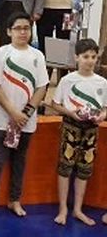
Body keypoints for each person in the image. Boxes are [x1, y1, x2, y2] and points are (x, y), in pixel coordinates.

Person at [0, 12, 49, 218]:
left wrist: (26, 113)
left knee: (19, 162)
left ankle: (15, 200)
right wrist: (12, 112)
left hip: (26, 120)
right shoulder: (1, 53)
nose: (23, 32)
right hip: (2, 119)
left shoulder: (38, 56)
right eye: (18, 28)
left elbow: (42, 87)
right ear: (9, 31)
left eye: (26, 28)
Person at [46, 39, 107, 226]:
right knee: (65, 167)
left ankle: (78, 209)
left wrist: (102, 116)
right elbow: (55, 104)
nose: (90, 61)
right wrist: (70, 112)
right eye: (85, 57)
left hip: (91, 129)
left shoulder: (102, 82)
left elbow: (105, 107)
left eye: (93, 57)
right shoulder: (67, 80)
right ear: (77, 57)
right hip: (71, 126)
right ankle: (63, 208)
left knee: (84, 169)